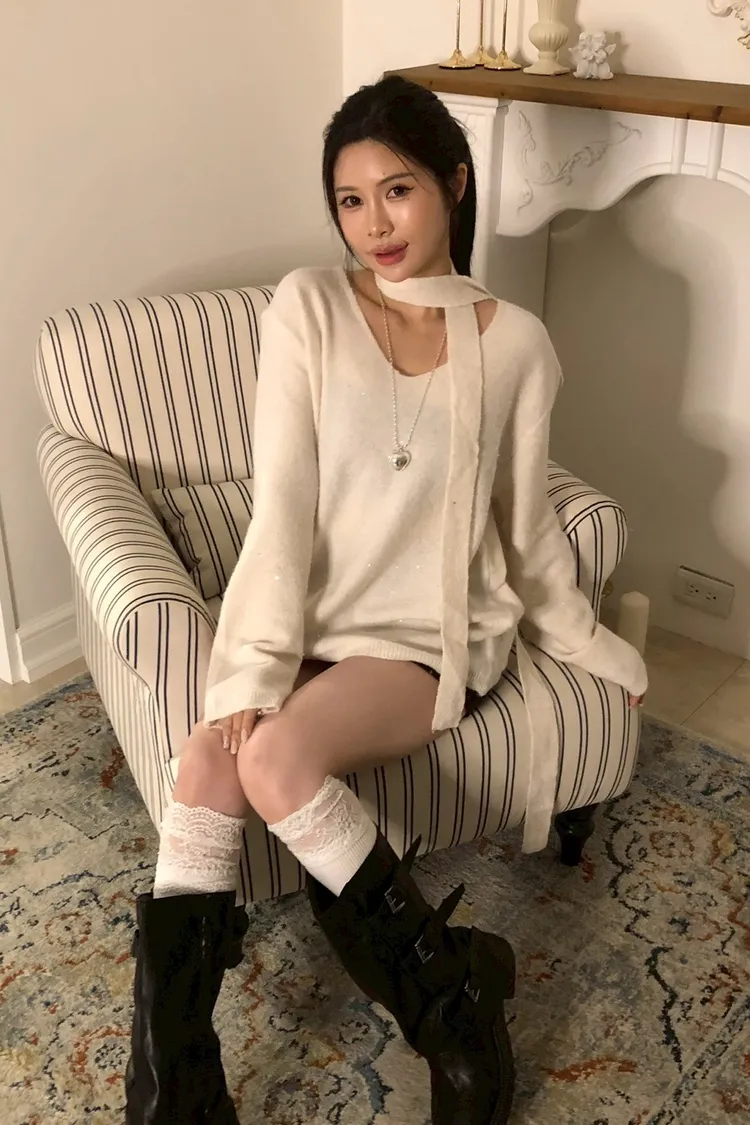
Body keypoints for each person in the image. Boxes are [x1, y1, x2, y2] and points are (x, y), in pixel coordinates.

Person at [123, 75, 647, 1125]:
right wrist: (255, 667)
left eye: (397, 190)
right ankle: (176, 1088)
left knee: (272, 757)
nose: (375, 225)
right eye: (351, 200)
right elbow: (282, 503)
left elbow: (524, 524)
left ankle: (454, 1014)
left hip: (429, 637)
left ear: (454, 183)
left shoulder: (516, 341)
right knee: (205, 761)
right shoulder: (310, 306)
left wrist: (596, 646)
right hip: (312, 623)